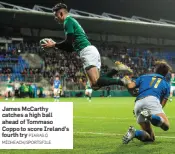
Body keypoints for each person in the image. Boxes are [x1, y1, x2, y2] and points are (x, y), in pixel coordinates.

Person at [41, 3, 132, 91]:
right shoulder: (71, 21)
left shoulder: (67, 21)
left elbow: (68, 42)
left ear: (61, 13)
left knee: (96, 82)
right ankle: (116, 69)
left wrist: (54, 44)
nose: (55, 18)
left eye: (56, 15)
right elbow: (70, 48)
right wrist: (56, 46)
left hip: (87, 52)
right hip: (89, 51)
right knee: (95, 86)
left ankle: (123, 81)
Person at [123, 60, 172, 144]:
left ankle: (135, 133)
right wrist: (154, 114)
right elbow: (162, 104)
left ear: (155, 70)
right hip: (152, 101)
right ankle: (151, 116)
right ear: (166, 73)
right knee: (166, 126)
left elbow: (130, 86)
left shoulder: (144, 77)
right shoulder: (166, 84)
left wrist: (126, 79)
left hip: (138, 103)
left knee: (150, 138)